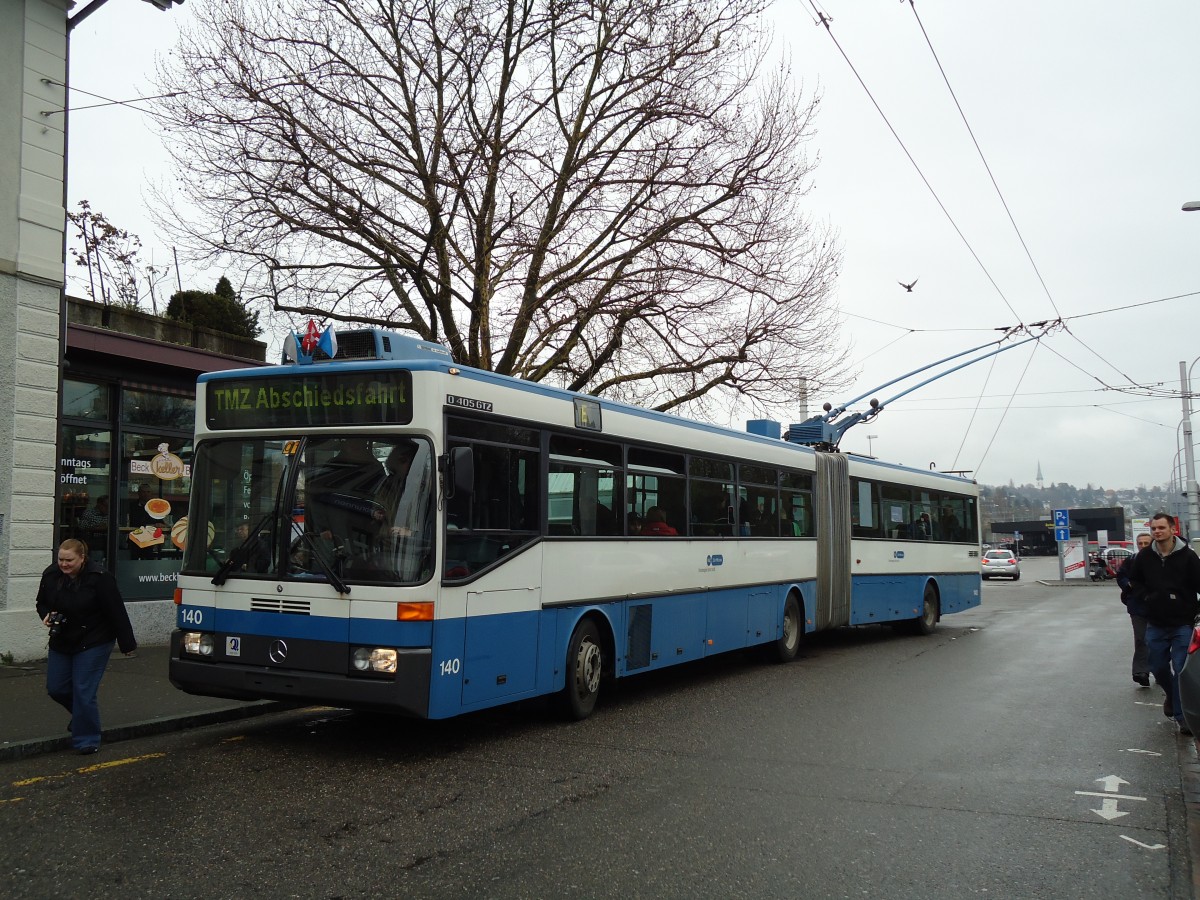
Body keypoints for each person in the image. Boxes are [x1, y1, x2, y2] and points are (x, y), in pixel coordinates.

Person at [34, 539, 137, 754]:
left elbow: (116, 611)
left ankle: (86, 740)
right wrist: (46, 615)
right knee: (56, 688)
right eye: (61, 559)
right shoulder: (51, 575)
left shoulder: (100, 578)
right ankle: (83, 718)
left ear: (82, 558)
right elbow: (41, 602)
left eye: (69, 560)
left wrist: (127, 643)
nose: (64, 564)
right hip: (62, 638)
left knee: (83, 690)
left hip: (94, 639)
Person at [1128, 512, 1200, 736]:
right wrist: (1146, 597)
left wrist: (1195, 610)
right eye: (1154, 528)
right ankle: (1171, 695)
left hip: (1182, 624)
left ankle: (1181, 717)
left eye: (1161, 528)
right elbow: (1134, 580)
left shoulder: (1188, 557)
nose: (1157, 532)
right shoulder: (1145, 557)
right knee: (1157, 667)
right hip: (1156, 623)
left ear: (1172, 530)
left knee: (1180, 669)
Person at [1116, 533, 1153, 686]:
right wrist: (1128, 585)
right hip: (1137, 607)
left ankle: (1159, 668)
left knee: (1158, 640)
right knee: (1141, 638)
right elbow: (1121, 576)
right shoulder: (1131, 560)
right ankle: (1141, 672)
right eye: (1140, 543)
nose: (1143, 546)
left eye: (1146, 543)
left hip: (1159, 606)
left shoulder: (1160, 560)